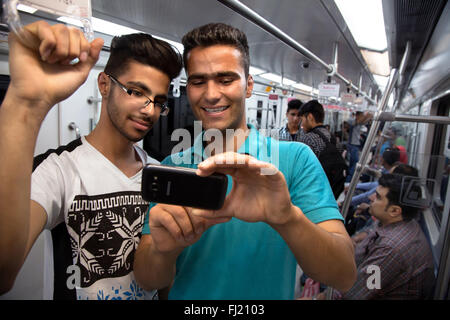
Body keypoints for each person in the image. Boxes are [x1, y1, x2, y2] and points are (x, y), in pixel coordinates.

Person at [133, 23, 356, 300]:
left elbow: (344, 274)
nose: (211, 94)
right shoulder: (173, 167)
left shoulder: (295, 161)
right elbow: (147, 279)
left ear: (249, 86)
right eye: (198, 81)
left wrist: (288, 219)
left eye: (226, 79)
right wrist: (163, 250)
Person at [0, 21, 183, 299]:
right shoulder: (59, 169)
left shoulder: (158, 173)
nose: (149, 110)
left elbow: (164, 278)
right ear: (104, 84)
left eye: (158, 101)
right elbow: (2, 273)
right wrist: (25, 104)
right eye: (135, 92)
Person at [346, 111, 373, 182]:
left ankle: (349, 178)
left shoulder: (360, 122)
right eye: (361, 115)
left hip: (356, 145)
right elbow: (358, 121)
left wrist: (368, 116)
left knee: (352, 163)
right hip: (352, 145)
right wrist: (366, 115)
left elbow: (364, 120)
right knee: (355, 162)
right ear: (357, 116)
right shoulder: (352, 121)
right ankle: (348, 180)